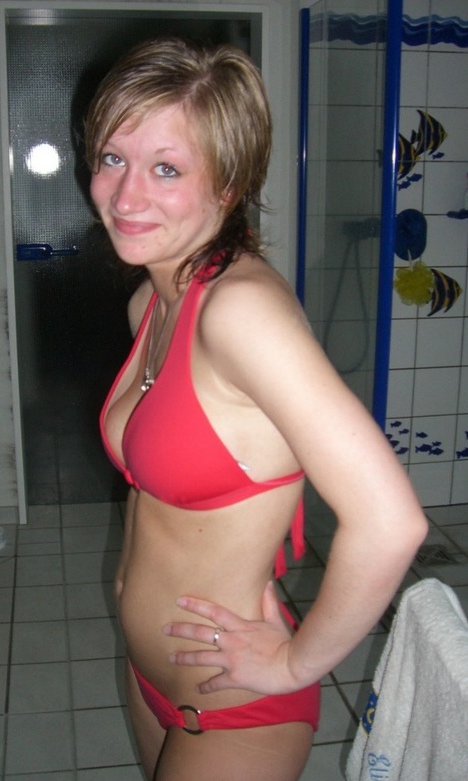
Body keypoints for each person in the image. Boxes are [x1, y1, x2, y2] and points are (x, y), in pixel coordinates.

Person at [85, 36, 427, 781]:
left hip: (234, 703)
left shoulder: (238, 312)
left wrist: (295, 662)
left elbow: (391, 521)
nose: (126, 196)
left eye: (167, 168)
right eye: (113, 157)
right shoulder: (152, 300)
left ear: (228, 184)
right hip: (153, 676)